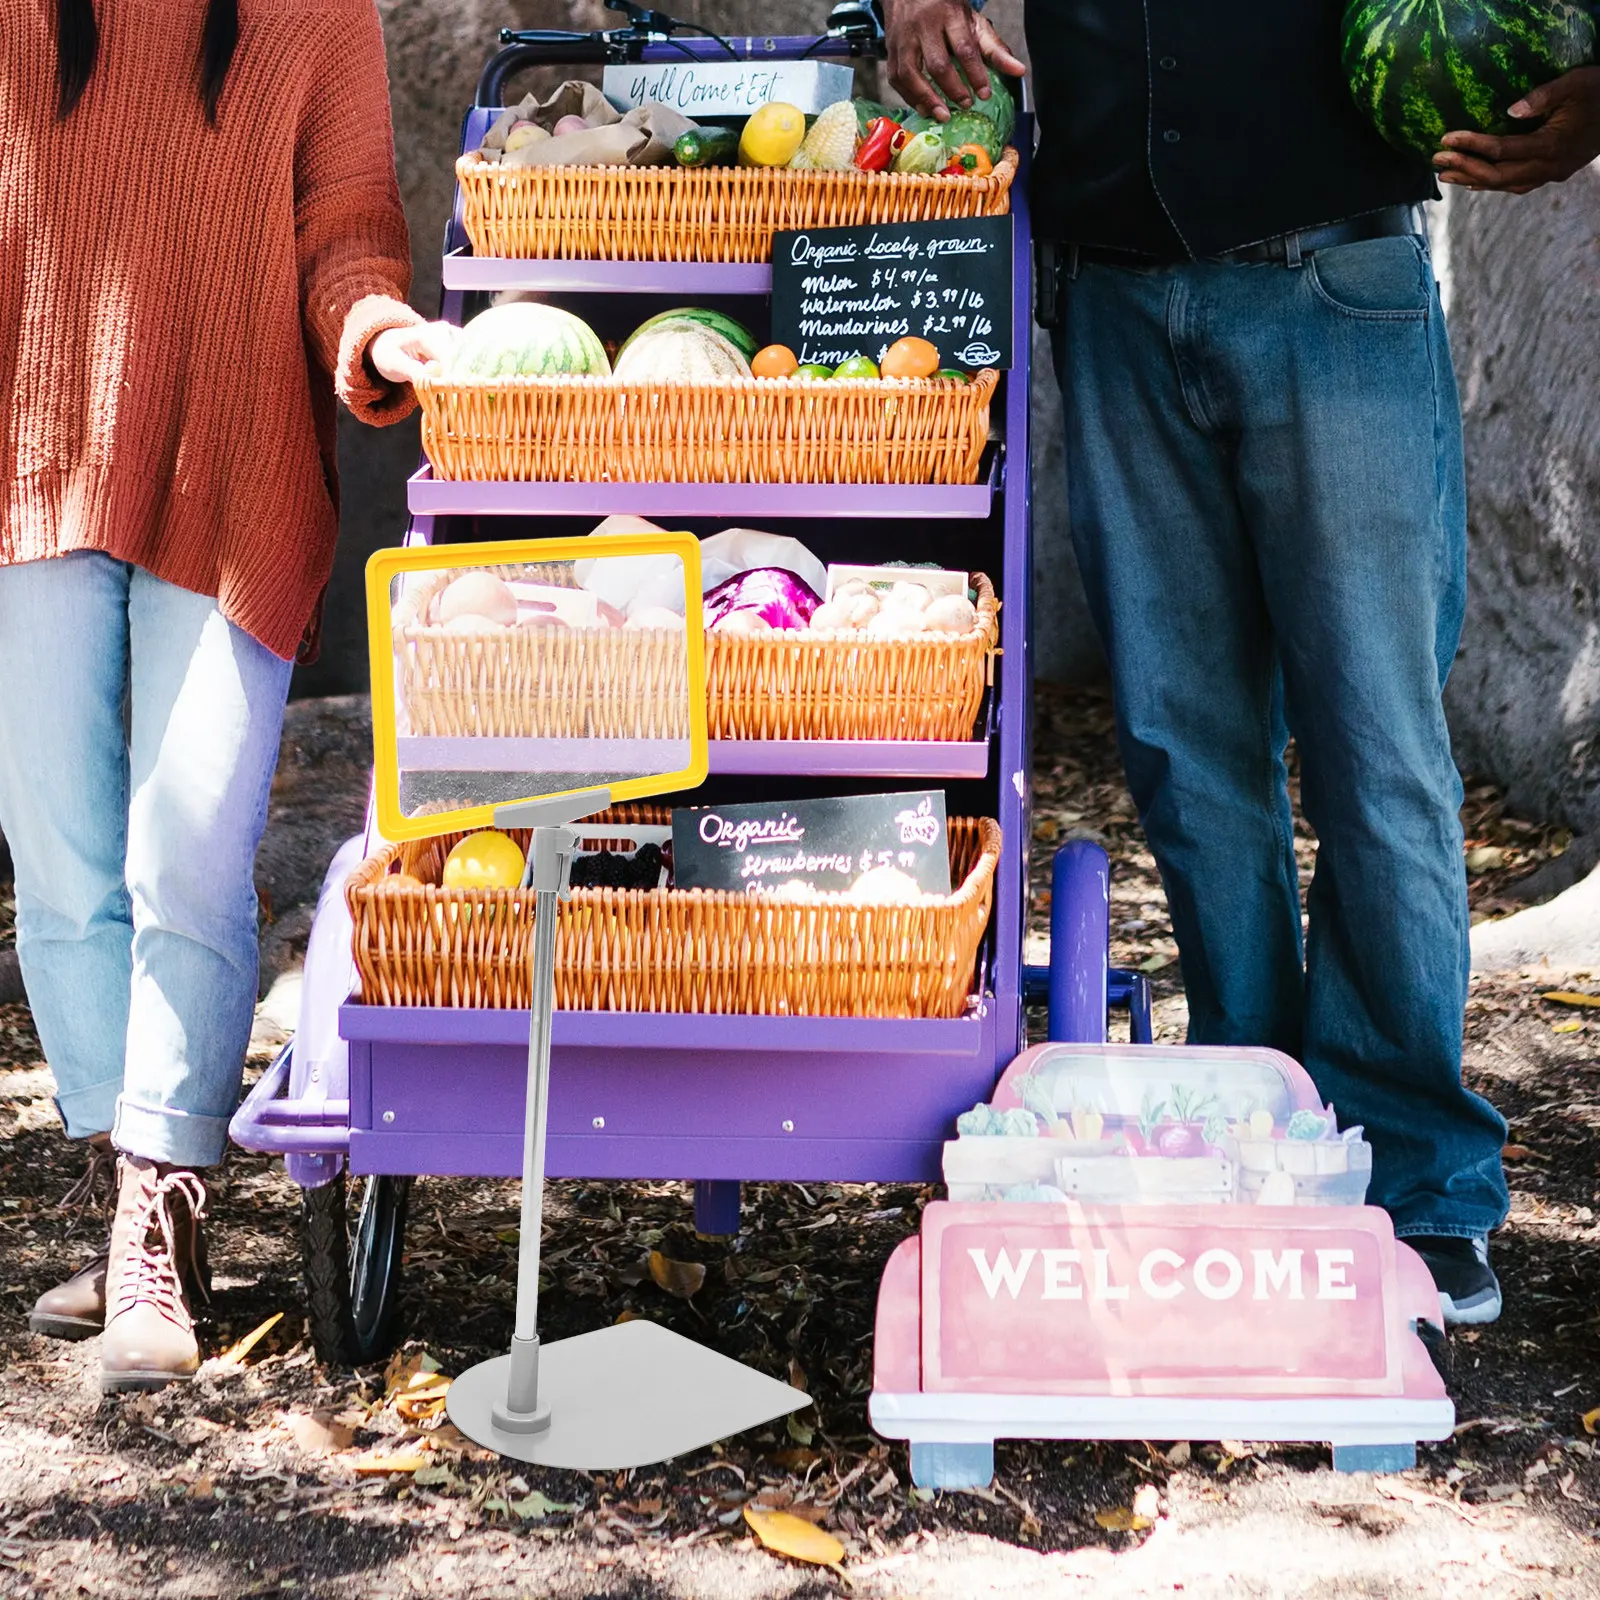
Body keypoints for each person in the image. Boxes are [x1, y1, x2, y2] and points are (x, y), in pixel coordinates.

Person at [887, 0, 1600, 1325]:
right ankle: (1259, 1145)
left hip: (1338, 288)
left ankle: (1416, 1190)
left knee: (1375, 753)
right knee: (1185, 756)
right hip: (1112, 299)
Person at [0, 0, 451, 1390]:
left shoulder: (316, 14)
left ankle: (158, 1206)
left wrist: (376, 327)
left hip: (237, 466)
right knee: (63, 855)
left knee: (183, 847)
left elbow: (351, 227)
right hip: (37, 448)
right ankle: (129, 1174)